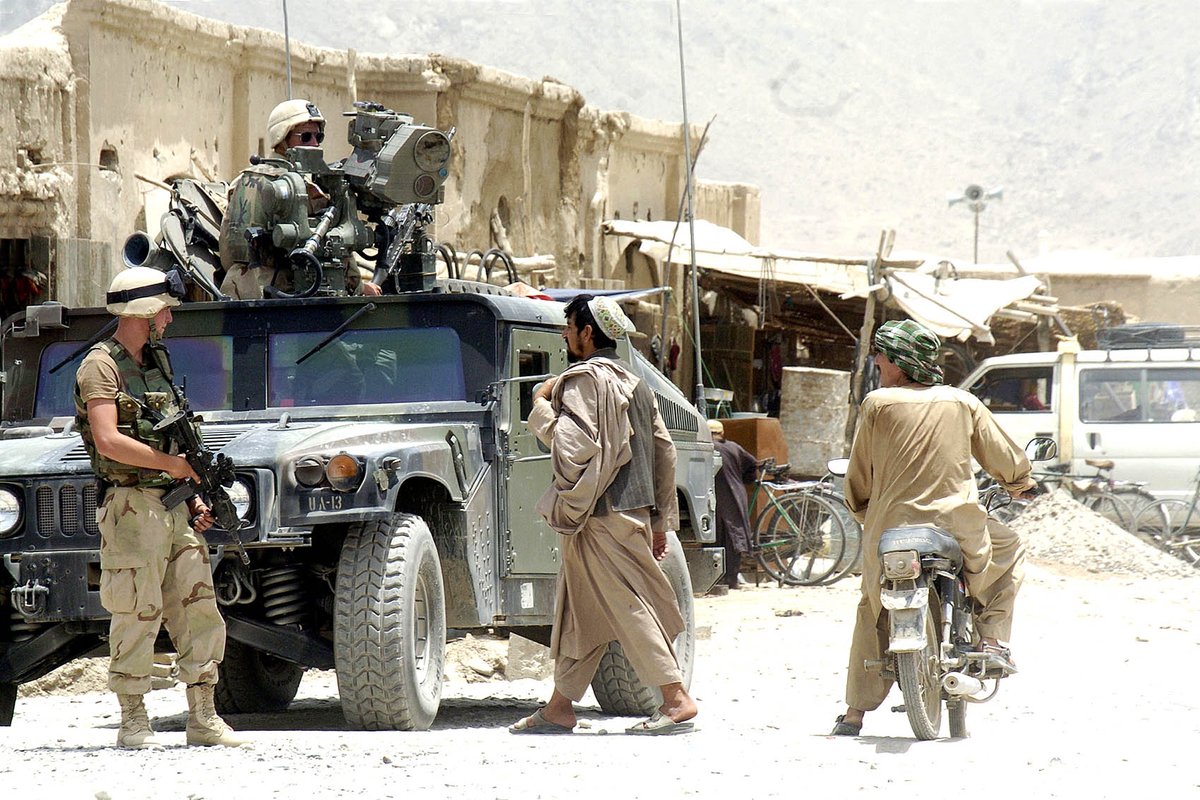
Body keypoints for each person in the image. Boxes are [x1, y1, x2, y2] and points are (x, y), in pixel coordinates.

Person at [831, 319, 1035, 737]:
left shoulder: (877, 403)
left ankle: (853, 715)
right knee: (1009, 549)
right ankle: (992, 641)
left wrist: (862, 511)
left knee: (872, 609)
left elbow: (859, 477)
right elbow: (1003, 456)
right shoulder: (962, 403)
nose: (876, 362)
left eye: (880, 355)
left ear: (898, 363)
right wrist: (1021, 483)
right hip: (955, 523)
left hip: (890, 527)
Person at [508, 295, 698, 736]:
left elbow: (573, 448)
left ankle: (675, 699)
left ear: (588, 334)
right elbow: (663, 450)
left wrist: (539, 405)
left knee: (628, 607)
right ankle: (559, 707)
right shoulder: (636, 382)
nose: (564, 334)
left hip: (600, 517)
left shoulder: (583, 381)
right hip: (626, 513)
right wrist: (657, 520)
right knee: (581, 610)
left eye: (569, 327)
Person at [74, 267, 246, 749]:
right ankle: (132, 720)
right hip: (130, 507)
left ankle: (203, 717)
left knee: (198, 607)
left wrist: (191, 495)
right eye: (164, 310)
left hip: (170, 507)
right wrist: (173, 466)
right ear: (143, 314)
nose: (170, 317)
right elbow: (108, 441)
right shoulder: (99, 367)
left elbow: (169, 433)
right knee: (137, 610)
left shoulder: (158, 361)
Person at [218, 98, 381, 299]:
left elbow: (227, 253)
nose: (314, 144)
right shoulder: (286, 186)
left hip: (255, 292)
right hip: (278, 295)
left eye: (318, 137)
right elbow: (338, 251)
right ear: (282, 138)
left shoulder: (246, 180)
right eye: (305, 137)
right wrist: (357, 287)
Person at [708, 418, 757, 590]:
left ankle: (718, 579)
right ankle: (731, 579)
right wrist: (745, 480)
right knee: (734, 537)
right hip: (737, 494)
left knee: (718, 538)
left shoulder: (708, 448)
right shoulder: (734, 446)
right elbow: (752, 463)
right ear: (722, 433)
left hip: (719, 496)